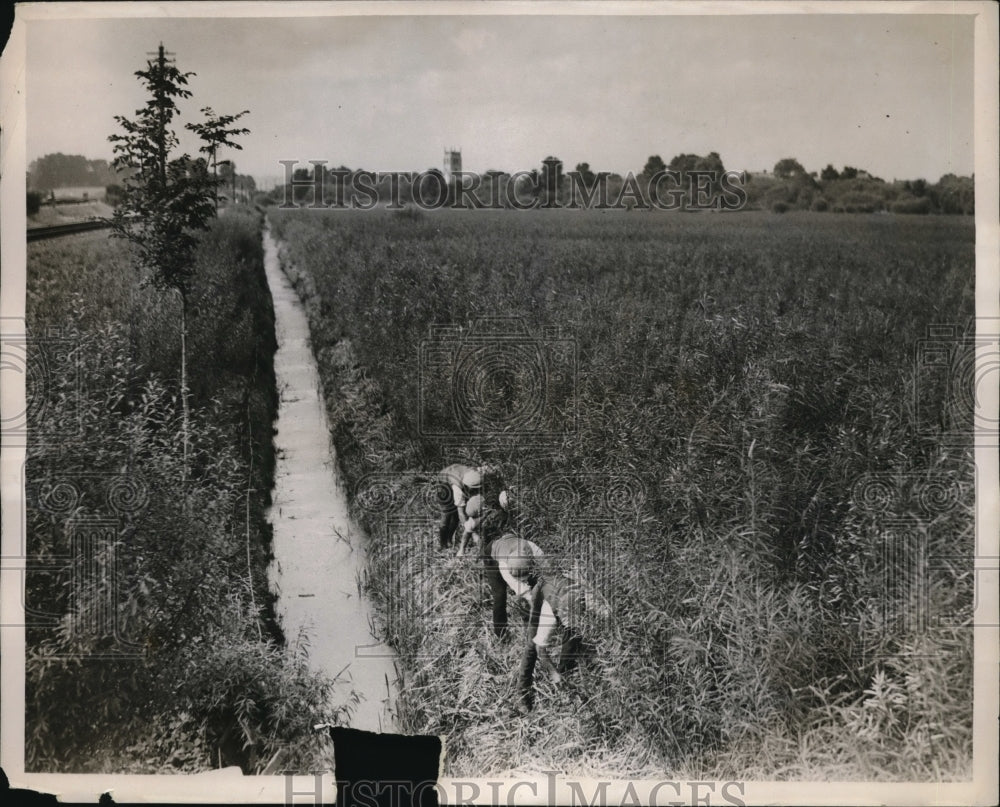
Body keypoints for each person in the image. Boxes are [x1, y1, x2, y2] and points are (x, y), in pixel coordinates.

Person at [485, 533, 584, 713]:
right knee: (532, 642)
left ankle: (566, 675)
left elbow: (549, 573)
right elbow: (540, 647)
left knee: (573, 635)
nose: (524, 579)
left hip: (560, 591)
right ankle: (522, 693)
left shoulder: (536, 552)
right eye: (521, 577)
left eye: (525, 576)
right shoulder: (506, 569)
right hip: (544, 597)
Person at [435, 464, 482, 549]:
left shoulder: (475, 472)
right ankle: (443, 544)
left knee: (455, 518)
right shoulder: (458, 490)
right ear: (467, 486)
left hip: (453, 476)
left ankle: (449, 539)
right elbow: (461, 513)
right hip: (444, 488)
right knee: (447, 517)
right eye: (473, 489)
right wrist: (473, 533)